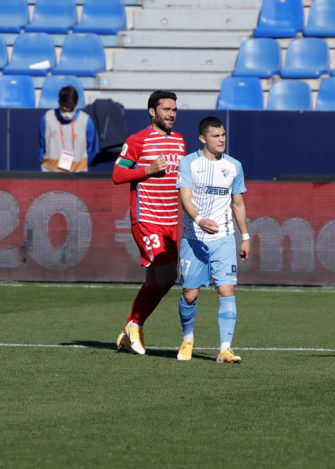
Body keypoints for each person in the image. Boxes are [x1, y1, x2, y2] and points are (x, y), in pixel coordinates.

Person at [112, 90, 187, 354]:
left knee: (159, 278)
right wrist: (148, 171)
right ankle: (136, 325)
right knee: (167, 276)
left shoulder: (179, 141)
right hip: (147, 218)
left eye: (174, 109)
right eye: (166, 109)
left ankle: (127, 332)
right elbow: (117, 173)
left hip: (171, 222)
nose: (171, 114)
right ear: (152, 112)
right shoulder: (137, 140)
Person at [175, 116, 250, 363]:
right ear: (202, 138)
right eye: (216, 136)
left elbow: (238, 204)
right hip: (193, 237)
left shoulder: (234, 166)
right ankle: (187, 339)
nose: (221, 140)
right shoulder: (189, 163)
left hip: (224, 238)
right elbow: (185, 198)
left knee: (226, 290)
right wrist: (198, 220)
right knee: (190, 294)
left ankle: (225, 348)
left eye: (223, 135)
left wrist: (245, 237)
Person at [39, 85, 98, 172]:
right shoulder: (47, 118)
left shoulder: (86, 121)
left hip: (78, 173)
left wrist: (80, 166)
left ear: (76, 104)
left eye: (70, 108)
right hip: (51, 172)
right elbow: (41, 145)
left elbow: (92, 148)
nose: (67, 111)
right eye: (64, 107)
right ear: (59, 102)